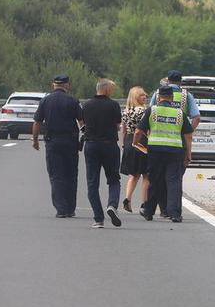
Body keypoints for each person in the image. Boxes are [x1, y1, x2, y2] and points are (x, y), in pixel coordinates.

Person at [134, 85, 193, 223]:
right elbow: (188, 135)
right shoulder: (179, 113)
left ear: (159, 97)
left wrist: (136, 143)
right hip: (175, 151)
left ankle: (149, 211)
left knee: (154, 180)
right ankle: (175, 213)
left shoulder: (152, 111)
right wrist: (188, 154)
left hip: (155, 150)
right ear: (172, 98)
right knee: (173, 181)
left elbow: (138, 131)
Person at [32, 74, 84, 218]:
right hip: (71, 142)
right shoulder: (73, 101)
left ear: (53, 85)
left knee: (56, 175)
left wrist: (35, 140)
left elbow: (37, 122)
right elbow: (81, 122)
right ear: (66, 85)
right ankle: (70, 208)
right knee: (71, 175)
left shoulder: (45, 101)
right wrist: (85, 138)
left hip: (53, 142)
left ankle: (61, 209)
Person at [81, 79, 124, 229]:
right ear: (106, 89)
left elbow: (83, 123)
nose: (112, 91)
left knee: (92, 183)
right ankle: (112, 205)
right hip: (109, 145)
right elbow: (118, 125)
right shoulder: (113, 105)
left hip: (91, 145)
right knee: (113, 179)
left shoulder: (86, 105)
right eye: (111, 89)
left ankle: (98, 218)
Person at [119, 86, 150, 212]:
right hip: (142, 140)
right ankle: (144, 203)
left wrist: (123, 144)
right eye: (142, 95)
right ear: (136, 97)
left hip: (129, 142)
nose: (145, 97)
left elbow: (124, 129)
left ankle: (127, 198)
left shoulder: (126, 111)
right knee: (146, 175)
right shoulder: (145, 111)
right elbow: (147, 128)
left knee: (134, 174)